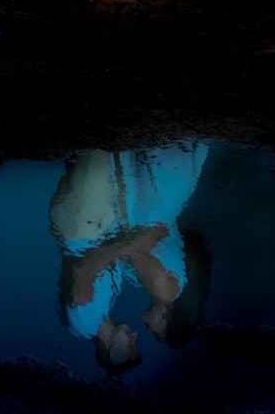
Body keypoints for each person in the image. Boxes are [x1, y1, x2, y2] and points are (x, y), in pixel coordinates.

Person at [48, 142, 210, 372]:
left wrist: (127, 246)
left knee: (99, 148)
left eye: (131, 346)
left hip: (83, 225)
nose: (136, 335)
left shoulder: (83, 323)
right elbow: (139, 244)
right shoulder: (106, 309)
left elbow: (81, 270)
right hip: (93, 222)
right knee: (102, 150)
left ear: (111, 351)